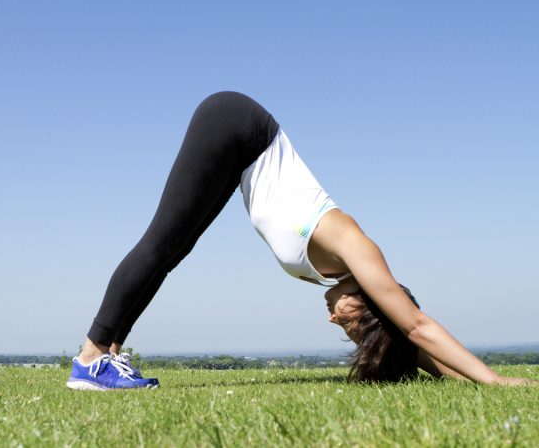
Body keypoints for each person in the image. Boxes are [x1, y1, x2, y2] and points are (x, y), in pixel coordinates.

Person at [67, 91, 535, 390]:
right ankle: (91, 356)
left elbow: (412, 345)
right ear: (371, 306)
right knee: (161, 241)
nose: (335, 323)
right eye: (351, 325)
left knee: (173, 250)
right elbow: (414, 327)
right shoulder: (358, 249)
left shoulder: (349, 276)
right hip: (239, 127)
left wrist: (462, 377)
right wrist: (497, 381)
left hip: (241, 156)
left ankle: (107, 356)